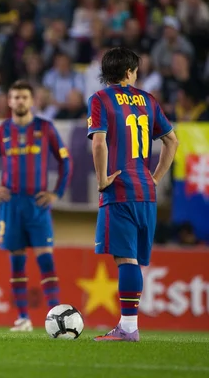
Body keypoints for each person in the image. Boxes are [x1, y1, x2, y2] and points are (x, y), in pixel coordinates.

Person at [87, 47, 178, 342]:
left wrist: (102, 180)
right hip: (146, 191)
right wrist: (156, 178)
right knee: (133, 260)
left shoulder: (100, 99)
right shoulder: (149, 100)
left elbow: (99, 143)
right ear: (128, 71)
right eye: (136, 71)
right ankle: (128, 325)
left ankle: (128, 328)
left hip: (120, 190)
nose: (136, 75)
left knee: (125, 260)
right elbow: (172, 141)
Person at [0, 80, 72, 332]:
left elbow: (65, 162)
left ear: (33, 101)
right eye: (15, 97)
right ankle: (23, 318)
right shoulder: (1, 131)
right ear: (9, 101)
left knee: (46, 262)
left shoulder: (46, 128)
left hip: (37, 204)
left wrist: (57, 192)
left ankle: (57, 320)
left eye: (24, 97)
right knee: (17, 262)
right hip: (11, 204)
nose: (20, 101)